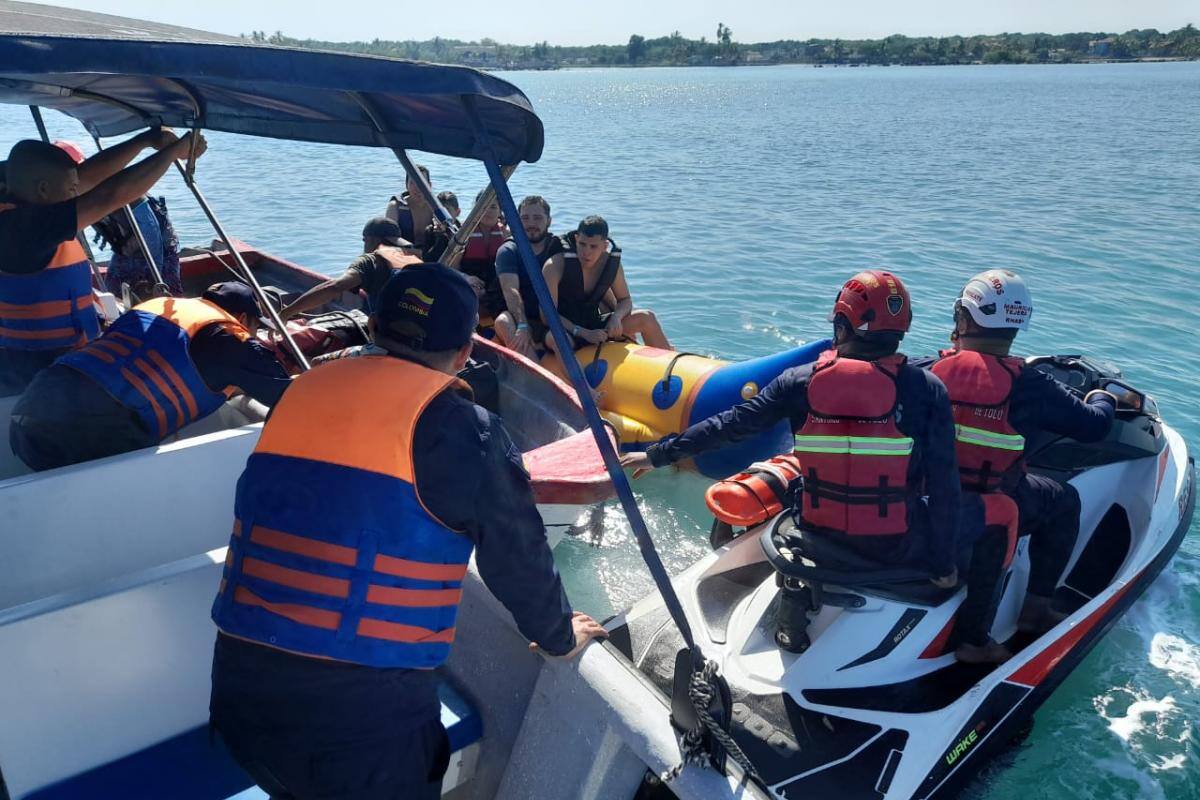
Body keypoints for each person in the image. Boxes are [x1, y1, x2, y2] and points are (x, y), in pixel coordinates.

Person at [209, 264, 606, 800]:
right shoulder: (469, 430)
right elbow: (518, 557)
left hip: (239, 692)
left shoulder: (300, 392)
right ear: (467, 352)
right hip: (358, 721)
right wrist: (560, 639)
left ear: (373, 328)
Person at [622, 270, 1015, 664]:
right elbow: (945, 487)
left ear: (843, 324)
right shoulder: (927, 389)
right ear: (904, 327)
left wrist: (659, 454)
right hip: (895, 547)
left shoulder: (799, 382)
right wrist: (942, 565)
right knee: (1001, 517)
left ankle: (794, 591)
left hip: (814, 536)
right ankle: (974, 640)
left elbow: (732, 425)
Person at [921, 270, 1116, 634]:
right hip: (998, 500)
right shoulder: (1029, 383)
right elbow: (1094, 426)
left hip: (931, 500)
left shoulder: (931, 371)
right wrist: (1104, 395)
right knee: (1064, 501)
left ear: (964, 319)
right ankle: (1036, 609)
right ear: (1017, 324)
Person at [0, 129, 207, 394]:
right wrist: (172, 154)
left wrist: (145, 139)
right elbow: (108, 196)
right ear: (43, 189)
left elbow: (86, 177)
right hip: (34, 378)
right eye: (72, 190)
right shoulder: (23, 230)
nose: (78, 193)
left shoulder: (20, 198)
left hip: (59, 363)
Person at [9, 282, 290, 472]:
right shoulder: (229, 336)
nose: (254, 334)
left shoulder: (158, 306)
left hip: (31, 410)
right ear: (242, 317)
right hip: (88, 430)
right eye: (255, 326)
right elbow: (288, 399)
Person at [51, 139, 184, 297]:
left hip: (157, 245)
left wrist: (154, 270)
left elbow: (150, 227)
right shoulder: (71, 195)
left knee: (165, 291)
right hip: (124, 250)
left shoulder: (116, 186)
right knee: (113, 291)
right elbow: (74, 235)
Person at [542, 215, 670, 353]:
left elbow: (625, 300)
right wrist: (583, 333)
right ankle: (571, 374)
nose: (586, 252)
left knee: (647, 317)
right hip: (564, 328)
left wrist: (616, 317)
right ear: (576, 239)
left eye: (593, 246)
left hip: (595, 325)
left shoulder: (610, 263)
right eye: (582, 244)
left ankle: (673, 367)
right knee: (559, 340)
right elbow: (546, 315)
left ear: (605, 246)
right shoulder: (555, 266)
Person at [280, 217, 422, 319]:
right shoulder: (414, 259)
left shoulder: (369, 261)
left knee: (317, 359)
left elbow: (335, 287)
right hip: (418, 333)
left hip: (389, 339)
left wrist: (288, 312)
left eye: (364, 241)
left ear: (371, 240)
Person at [493, 194, 564, 358]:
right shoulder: (509, 251)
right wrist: (522, 324)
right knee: (503, 322)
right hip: (521, 316)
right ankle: (537, 377)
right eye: (525, 218)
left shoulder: (558, 247)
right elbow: (511, 290)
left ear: (549, 221)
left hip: (553, 317)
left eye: (538, 218)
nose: (531, 224)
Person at [457, 189, 509, 320]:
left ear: (500, 211)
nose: (488, 211)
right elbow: (450, 266)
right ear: (476, 209)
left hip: (496, 286)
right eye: (483, 207)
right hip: (469, 284)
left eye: (493, 207)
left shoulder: (506, 234)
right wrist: (466, 278)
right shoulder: (463, 232)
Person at [384, 163, 435, 249]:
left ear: (429, 185)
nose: (417, 187)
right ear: (406, 185)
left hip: (431, 255)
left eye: (421, 182)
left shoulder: (436, 207)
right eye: (412, 183)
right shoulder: (395, 207)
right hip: (402, 254)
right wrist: (411, 249)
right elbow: (390, 237)